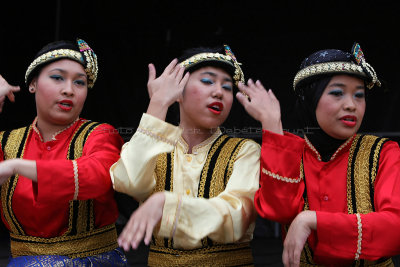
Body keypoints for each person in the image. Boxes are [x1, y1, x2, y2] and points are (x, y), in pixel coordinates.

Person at [236, 43, 400, 266]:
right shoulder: (291, 154)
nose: (351, 105)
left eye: (359, 95)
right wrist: (272, 124)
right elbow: (278, 210)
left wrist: (313, 220)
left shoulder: (382, 153)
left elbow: (395, 227)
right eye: (337, 93)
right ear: (309, 99)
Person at [110, 45, 260, 266]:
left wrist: (168, 205)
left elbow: (237, 216)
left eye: (227, 87)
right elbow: (130, 182)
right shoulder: (155, 147)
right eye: (208, 81)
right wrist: (158, 104)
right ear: (178, 91)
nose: (219, 92)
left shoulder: (245, 151)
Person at [0, 38, 127, 266]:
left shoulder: (100, 135)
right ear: (33, 84)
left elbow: (98, 177)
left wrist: (18, 166)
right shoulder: (7, 142)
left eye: (79, 83)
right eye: (57, 78)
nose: (68, 90)